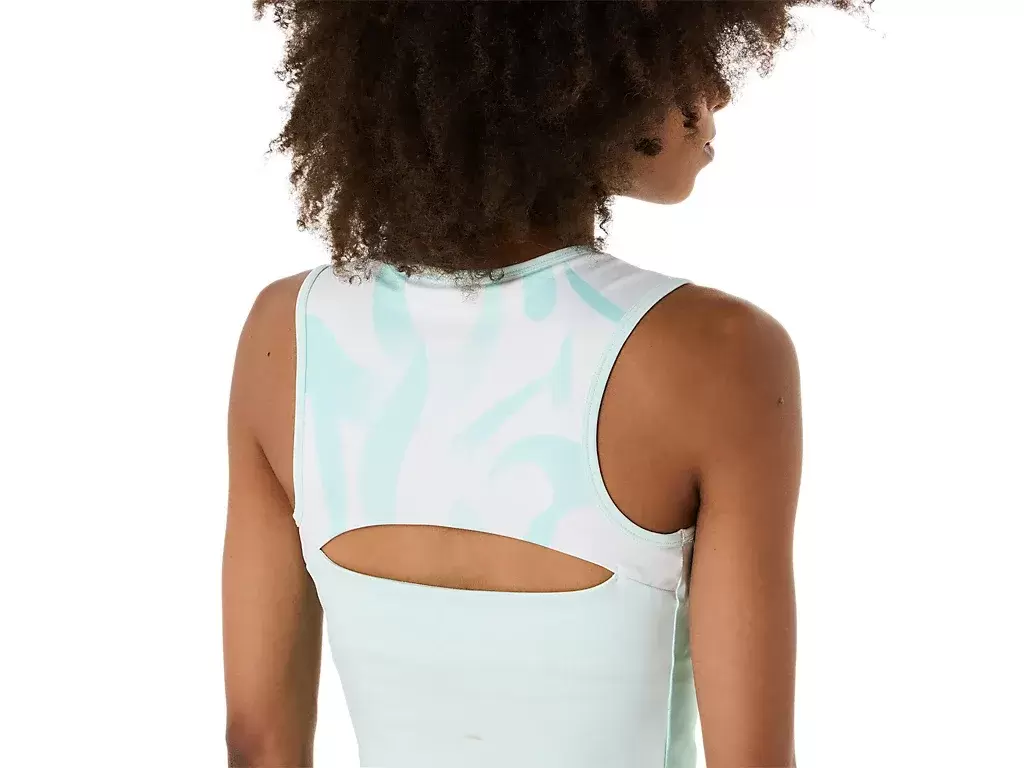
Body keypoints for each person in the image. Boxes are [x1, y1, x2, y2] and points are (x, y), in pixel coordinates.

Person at [223, 2, 870, 766]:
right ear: (582, 74)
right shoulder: (717, 354)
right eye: (680, 48)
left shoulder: (289, 337)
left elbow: (258, 743)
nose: (717, 91)